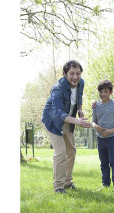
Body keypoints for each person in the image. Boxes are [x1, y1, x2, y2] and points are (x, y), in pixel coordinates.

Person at [41, 60, 91, 194]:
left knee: (71, 151)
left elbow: (79, 98)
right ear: (65, 74)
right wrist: (76, 121)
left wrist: (80, 111)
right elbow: (58, 112)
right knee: (61, 151)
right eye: (72, 74)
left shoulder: (81, 83)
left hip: (69, 120)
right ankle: (58, 186)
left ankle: (67, 182)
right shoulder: (58, 88)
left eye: (78, 73)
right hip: (52, 121)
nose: (75, 77)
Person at [92, 80, 114, 191]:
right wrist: (95, 126)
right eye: (101, 91)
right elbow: (93, 121)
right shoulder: (96, 105)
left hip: (112, 137)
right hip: (100, 138)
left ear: (111, 92)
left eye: (106, 91)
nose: (103, 94)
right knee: (103, 162)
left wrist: (112, 130)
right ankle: (105, 184)